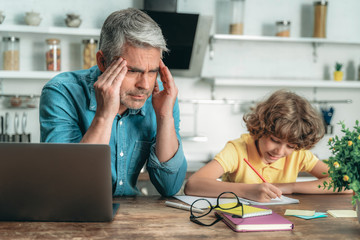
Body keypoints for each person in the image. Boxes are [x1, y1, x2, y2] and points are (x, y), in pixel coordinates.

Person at [39, 8, 187, 197]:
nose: (145, 85)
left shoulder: (162, 97)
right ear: (102, 61)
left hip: (135, 221)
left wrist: (165, 116)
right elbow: (67, 187)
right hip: (75, 220)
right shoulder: (62, 92)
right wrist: (104, 115)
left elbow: (170, 186)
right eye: (132, 71)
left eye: (152, 72)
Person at [184, 90, 342, 202]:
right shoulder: (237, 150)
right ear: (261, 128)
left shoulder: (298, 154)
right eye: (275, 140)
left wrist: (289, 187)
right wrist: (248, 191)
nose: (280, 151)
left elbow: (345, 183)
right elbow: (193, 185)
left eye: (291, 145)